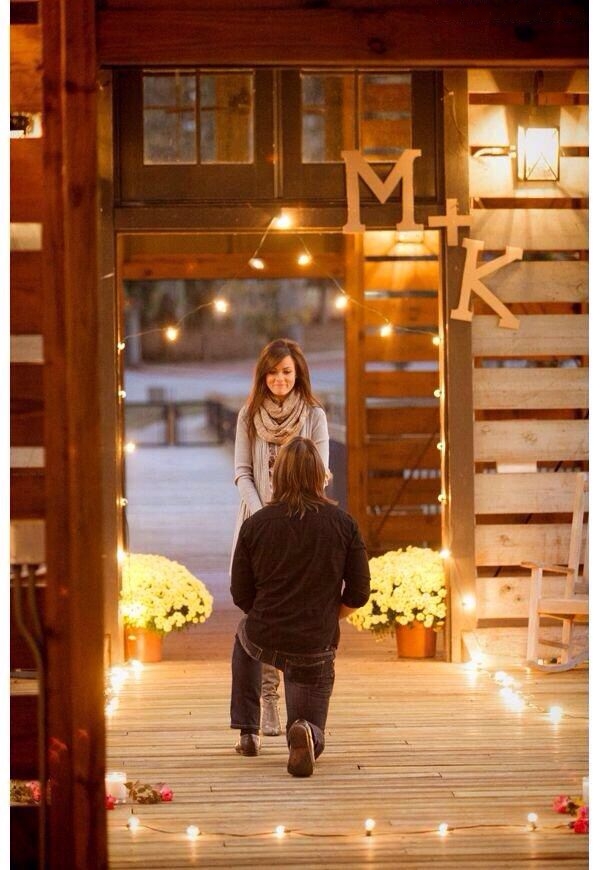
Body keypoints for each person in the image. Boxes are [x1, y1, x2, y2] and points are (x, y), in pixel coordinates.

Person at [229, 436, 371, 777]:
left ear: (278, 477)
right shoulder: (343, 524)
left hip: (265, 634)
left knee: (243, 638)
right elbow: (359, 593)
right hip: (314, 642)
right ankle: (305, 732)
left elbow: (240, 594)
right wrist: (328, 615)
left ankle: (249, 730)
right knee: (309, 725)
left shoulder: (256, 525)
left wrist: (267, 612)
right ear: (319, 476)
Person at [231, 338, 330, 737]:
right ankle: (266, 700)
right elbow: (242, 471)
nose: (279, 379)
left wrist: (290, 514)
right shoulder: (248, 414)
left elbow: (320, 471)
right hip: (257, 523)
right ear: (263, 375)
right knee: (258, 610)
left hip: (302, 521)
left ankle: (296, 706)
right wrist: (263, 518)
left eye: (286, 371)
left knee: (296, 608)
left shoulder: (314, 415)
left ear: (298, 373)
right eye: (272, 372)